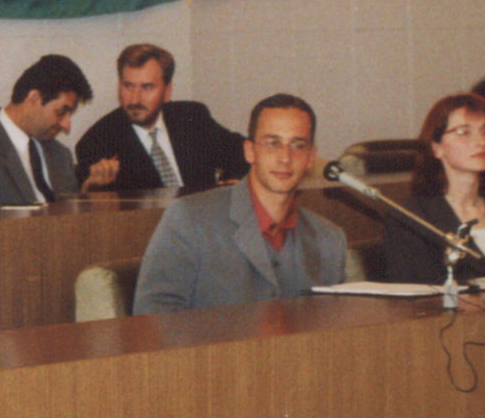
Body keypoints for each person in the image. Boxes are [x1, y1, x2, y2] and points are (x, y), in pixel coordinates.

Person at [133, 94, 347, 314]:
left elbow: (334, 327)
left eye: (297, 145)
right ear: (249, 151)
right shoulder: (190, 219)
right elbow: (152, 318)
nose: (285, 157)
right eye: (272, 143)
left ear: (310, 158)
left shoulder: (329, 240)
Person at [381, 93, 485, 284]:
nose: (481, 141)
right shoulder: (411, 217)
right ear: (436, 147)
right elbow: (416, 291)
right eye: (464, 132)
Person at [0, 53, 113, 210]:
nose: (67, 125)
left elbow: (70, 223)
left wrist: (87, 194)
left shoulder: (60, 156)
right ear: (34, 98)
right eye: (61, 112)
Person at [74, 43, 246, 192]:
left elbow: (244, 152)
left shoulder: (191, 116)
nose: (135, 99)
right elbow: (95, 205)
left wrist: (229, 186)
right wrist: (92, 188)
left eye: (147, 87)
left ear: (167, 91)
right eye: (128, 86)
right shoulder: (96, 141)